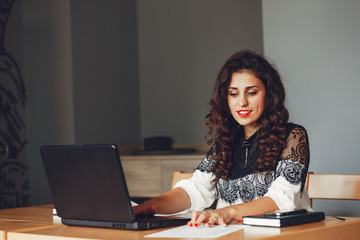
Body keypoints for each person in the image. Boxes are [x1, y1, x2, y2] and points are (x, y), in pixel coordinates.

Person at [133, 50, 312, 227]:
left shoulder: (293, 136)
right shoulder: (226, 143)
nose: (242, 102)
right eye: (233, 93)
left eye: (252, 93)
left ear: (269, 94)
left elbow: (282, 200)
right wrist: (149, 206)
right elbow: (195, 190)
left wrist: (226, 212)